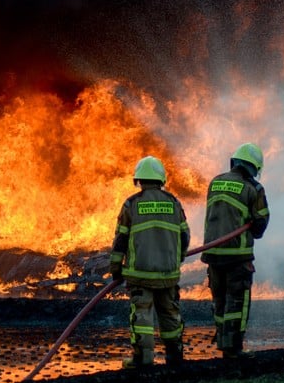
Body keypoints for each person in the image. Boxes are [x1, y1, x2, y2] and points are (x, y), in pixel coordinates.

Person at [109, 156, 191, 368]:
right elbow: (185, 236)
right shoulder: (174, 203)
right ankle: (175, 358)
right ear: (161, 180)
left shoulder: (131, 204)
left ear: (138, 180)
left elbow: (120, 241)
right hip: (168, 274)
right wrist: (177, 257)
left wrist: (116, 269)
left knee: (143, 317)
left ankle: (143, 360)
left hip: (141, 275)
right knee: (170, 314)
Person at [200, 142, 270, 359]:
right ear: (253, 167)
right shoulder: (254, 189)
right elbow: (260, 223)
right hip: (237, 256)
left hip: (213, 254)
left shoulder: (215, 182)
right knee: (237, 303)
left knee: (219, 301)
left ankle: (223, 342)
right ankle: (234, 349)